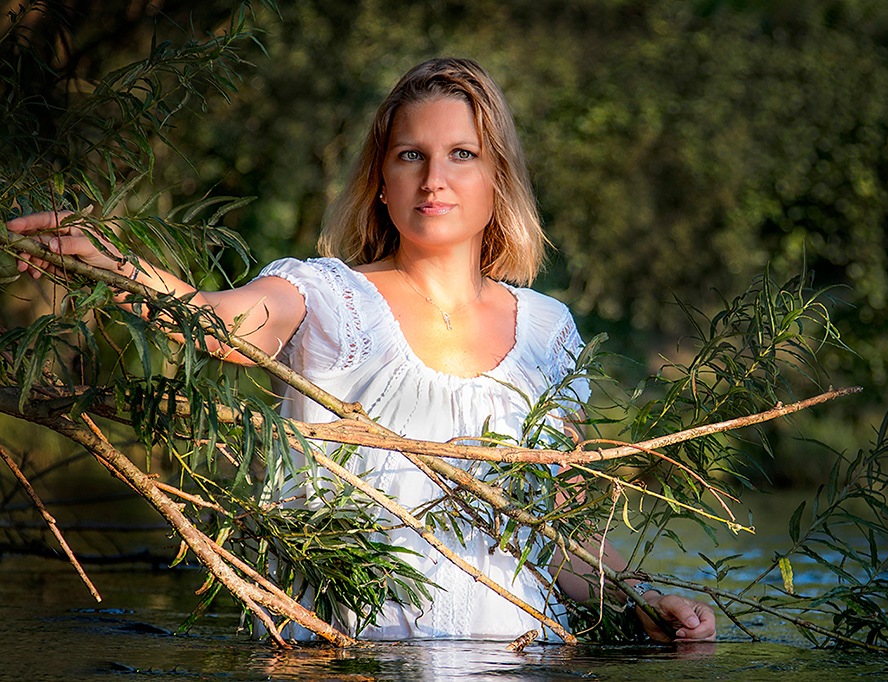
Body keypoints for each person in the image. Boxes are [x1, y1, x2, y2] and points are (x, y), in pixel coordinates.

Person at [8, 57, 715, 643]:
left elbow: (557, 532)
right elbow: (215, 322)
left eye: (461, 155)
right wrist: (114, 264)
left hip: (515, 657)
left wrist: (645, 602)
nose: (434, 178)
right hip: (341, 655)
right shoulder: (326, 297)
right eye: (412, 155)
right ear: (381, 180)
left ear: (498, 179)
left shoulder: (549, 330)